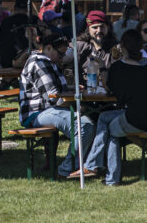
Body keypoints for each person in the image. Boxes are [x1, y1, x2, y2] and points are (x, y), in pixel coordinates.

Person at [88, 29, 147, 185]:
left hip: (138, 118)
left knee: (110, 130)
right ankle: (95, 165)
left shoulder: (119, 68)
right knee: (106, 119)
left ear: (123, 46)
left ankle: (107, 175)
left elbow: (109, 88)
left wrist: (103, 67)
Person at [18, 33, 97, 179]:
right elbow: (53, 98)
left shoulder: (49, 62)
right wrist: (77, 102)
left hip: (48, 110)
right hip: (37, 113)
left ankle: (89, 164)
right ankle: (67, 169)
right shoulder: (40, 63)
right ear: (48, 48)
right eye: (60, 53)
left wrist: (73, 88)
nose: (62, 58)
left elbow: (58, 91)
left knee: (93, 119)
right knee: (84, 125)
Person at [73, 10, 117, 87]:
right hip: (84, 96)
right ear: (88, 29)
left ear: (108, 28)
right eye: (95, 27)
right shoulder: (79, 47)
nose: (99, 30)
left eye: (102, 27)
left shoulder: (116, 48)